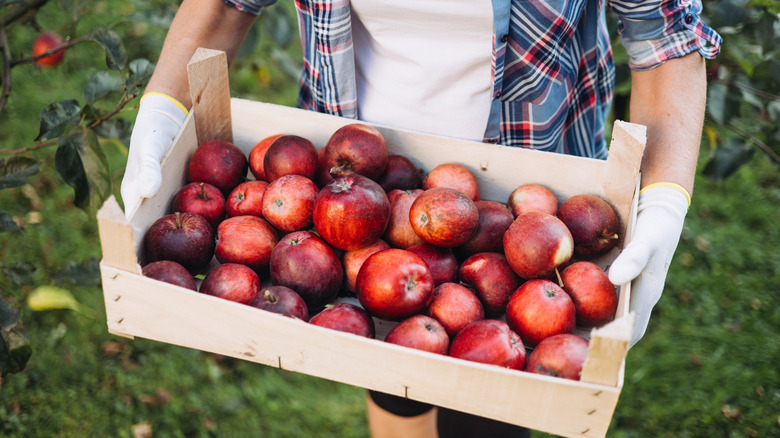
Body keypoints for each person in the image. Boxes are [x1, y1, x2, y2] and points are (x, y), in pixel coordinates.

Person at [121, 1, 721, 436]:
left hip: (533, 175)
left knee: (489, 409)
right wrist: (164, 104)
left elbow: (664, 35)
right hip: (354, 173)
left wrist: (665, 198)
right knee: (389, 358)